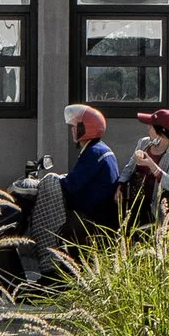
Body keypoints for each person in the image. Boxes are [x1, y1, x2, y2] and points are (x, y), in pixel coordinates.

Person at [58, 103, 120, 250]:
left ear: (84, 129)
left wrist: (54, 181)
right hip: (103, 214)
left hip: (93, 217)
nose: (72, 130)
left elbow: (71, 185)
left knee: (55, 222)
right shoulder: (101, 149)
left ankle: (50, 257)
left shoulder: (93, 153)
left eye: (75, 126)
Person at [122, 107, 169, 225]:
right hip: (133, 202)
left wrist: (151, 165)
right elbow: (129, 167)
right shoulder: (144, 143)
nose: (148, 129)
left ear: (161, 132)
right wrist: (120, 184)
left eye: (151, 126)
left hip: (153, 209)